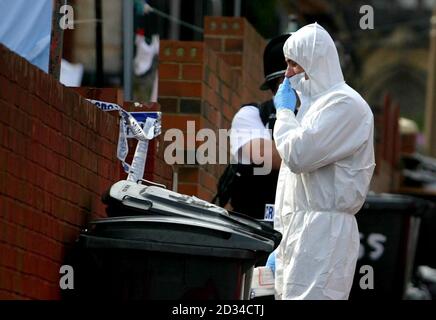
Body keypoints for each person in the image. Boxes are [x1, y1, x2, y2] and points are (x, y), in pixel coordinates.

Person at [272, 23, 375, 300]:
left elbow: (298, 155)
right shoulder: (310, 108)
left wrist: (283, 113)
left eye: (295, 64)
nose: (288, 73)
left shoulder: (345, 105)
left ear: (315, 62)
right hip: (298, 234)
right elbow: (290, 187)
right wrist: (279, 240)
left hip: (324, 238)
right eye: (287, 64)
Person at [214, 34, 296, 220]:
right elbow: (264, 155)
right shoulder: (252, 115)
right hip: (255, 228)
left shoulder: (317, 115)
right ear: (281, 81)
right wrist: (314, 153)